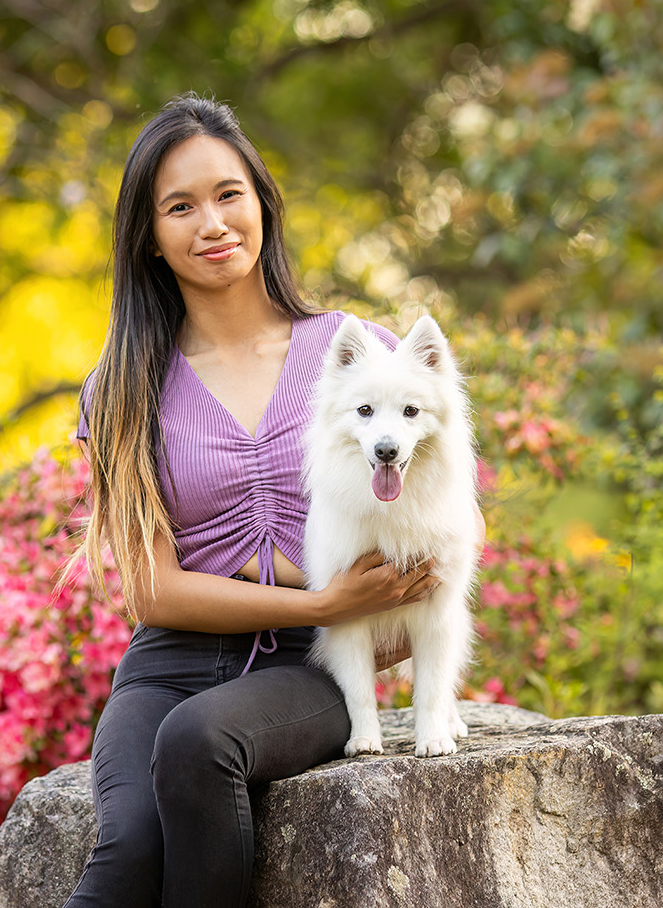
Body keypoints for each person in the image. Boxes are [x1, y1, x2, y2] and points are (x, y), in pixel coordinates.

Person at [62, 92, 485, 908]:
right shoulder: (118, 386)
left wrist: (361, 625)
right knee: (129, 850)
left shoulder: (351, 350)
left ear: (261, 201)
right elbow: (150, 589)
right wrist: (324, 596)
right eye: (179, 206)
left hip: (313, 663)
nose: (211, 222)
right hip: (168, 666)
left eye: (228, 194)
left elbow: (448, 524)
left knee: (199, 743)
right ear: (149, 238)